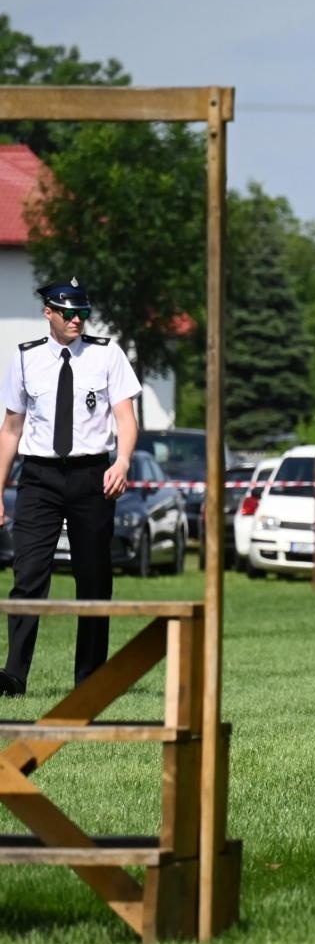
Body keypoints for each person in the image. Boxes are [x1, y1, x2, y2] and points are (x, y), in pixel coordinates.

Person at [0, 278, 140, 696]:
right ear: (49, 313)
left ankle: (91, 679)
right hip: (39, 477)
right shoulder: (25, 360)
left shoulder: (107, 354)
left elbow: (126, 419)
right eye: (69, 312)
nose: (77, 319)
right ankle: (14, 675)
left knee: (93, 578)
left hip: (91, 476)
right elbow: (11, 430)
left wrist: (123, 460)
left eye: (82, 312)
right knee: (28, 574)